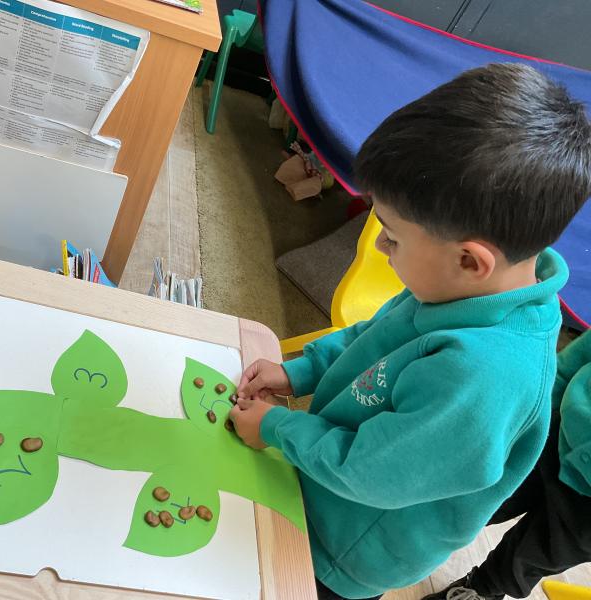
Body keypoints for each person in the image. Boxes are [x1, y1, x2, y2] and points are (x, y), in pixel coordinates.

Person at [227, 63, 591, 600]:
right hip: (322, 480)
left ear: (470, 260)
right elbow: (374, 337)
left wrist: (280, 428)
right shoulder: (455, 287)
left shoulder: (482, 377)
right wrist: (300, 372)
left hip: (343, 551)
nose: (380, 246)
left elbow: (370, 471)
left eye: (392, 237)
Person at [423, 329, 591, 600]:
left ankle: (480, 589)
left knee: (529, 558)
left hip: (586, 517)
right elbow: (576, 358)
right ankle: (413, 544)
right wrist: (541, 401)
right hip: (559, 433)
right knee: (476, 499)